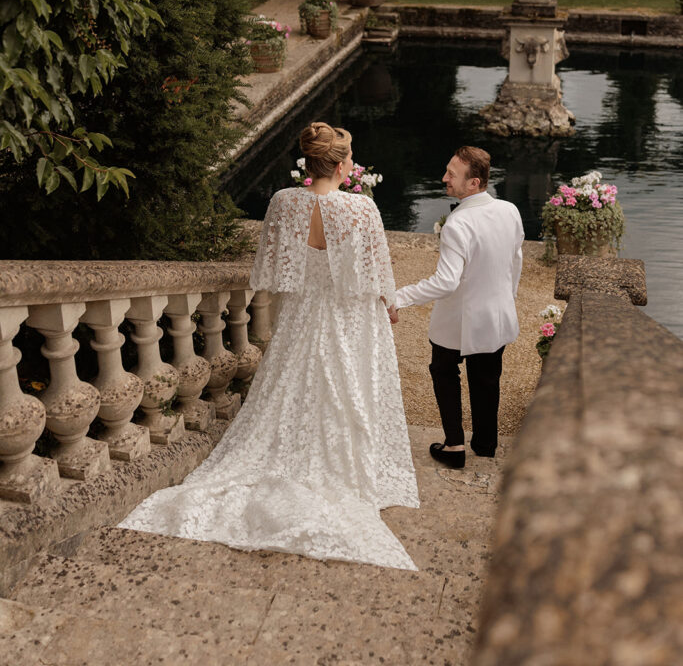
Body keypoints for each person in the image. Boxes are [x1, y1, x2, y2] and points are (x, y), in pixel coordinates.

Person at [119, 122, 419, 570]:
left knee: (293, 385)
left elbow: (270, 271)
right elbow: (376, 276)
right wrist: (390, 307)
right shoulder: (361, 211)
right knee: (346, 388)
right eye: (350, 156)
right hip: (346, 318)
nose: (353, 163)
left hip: (300, 314)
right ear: (339, 166)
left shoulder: (283, 202)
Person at [389, 146, 523, 470]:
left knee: (444, 373)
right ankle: (486, 444)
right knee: (487, 378)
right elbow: (515, 264)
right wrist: (507, 297)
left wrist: (400, 297)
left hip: (456, 320)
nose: (444, 178)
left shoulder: (457, 224)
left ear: (474, 183)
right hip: (496, 315)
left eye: (452, 174)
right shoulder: (510, 211)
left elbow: (446, 282)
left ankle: (454, 447)